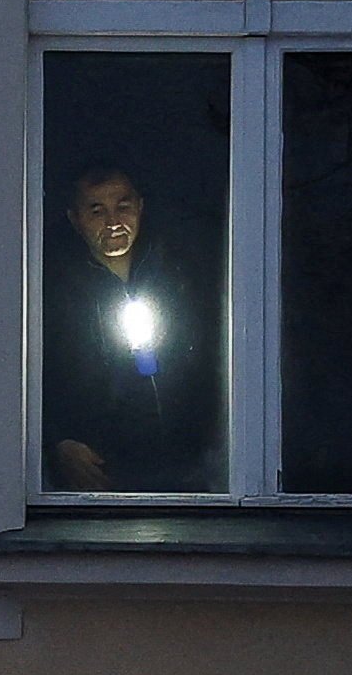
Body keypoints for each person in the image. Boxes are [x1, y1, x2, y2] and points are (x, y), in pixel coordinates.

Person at [41, 164, 223, 492]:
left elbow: (212, 366)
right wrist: (57, 441)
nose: (113, 222)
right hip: (98, 475)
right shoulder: (52, 292)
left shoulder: (178, 277)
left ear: (140, 206)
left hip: (183, 475)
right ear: (75, 219)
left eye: (123, 207)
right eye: (97, 211)